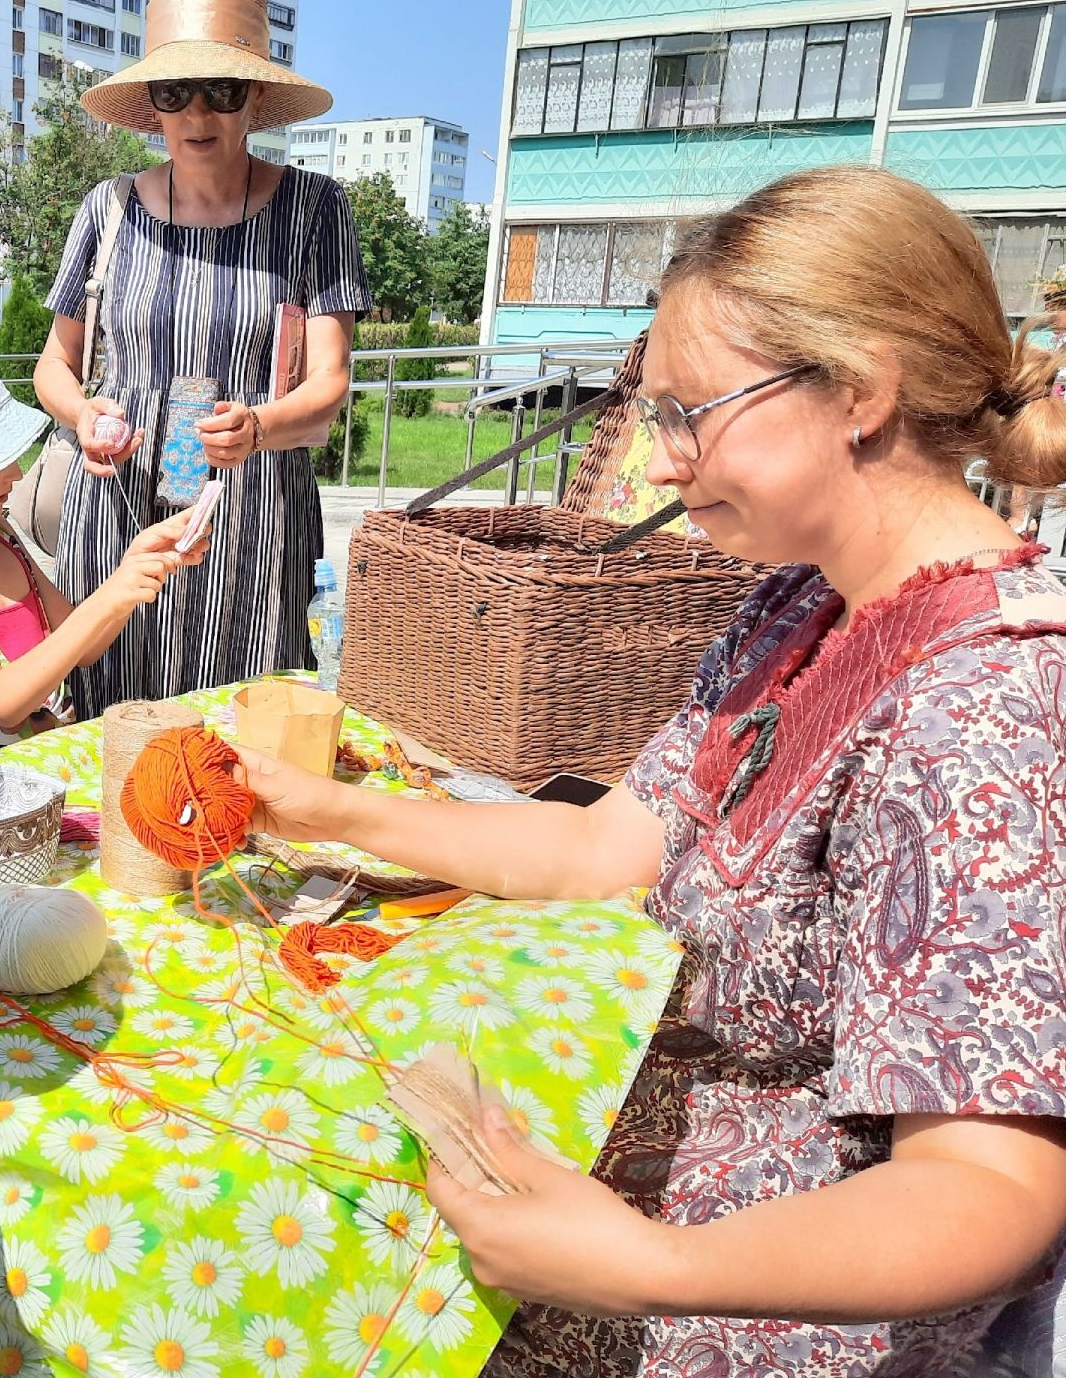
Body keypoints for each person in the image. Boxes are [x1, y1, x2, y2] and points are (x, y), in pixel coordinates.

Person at [233, 167, 1066, 1377]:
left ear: (860, 393)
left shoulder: (992, 702)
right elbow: (601, 847)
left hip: (755, 1311)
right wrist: (321, 807)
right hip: (632, 1210)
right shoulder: (795, 607)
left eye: (689, 413)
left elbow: (992, 1188)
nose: (661, 463)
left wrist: (638, 1264)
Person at [33, 0, 370, 717]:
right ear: (152, 105)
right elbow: (54, 365)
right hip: (116, 507)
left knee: (242, 728)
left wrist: (259, 428)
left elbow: (330, 380)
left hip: (252, 509)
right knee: (110, 722)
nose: (197, 112)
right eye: (173, 90)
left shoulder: (316, 210)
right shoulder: (107, 209)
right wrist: (83, 415)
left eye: (220, 89)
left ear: (254, 97)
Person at [0, 347, 205, 766]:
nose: (16, 472)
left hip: (46, 777)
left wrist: (133, 570)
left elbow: (81, 647)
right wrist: (112, 594)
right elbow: (2, 702)